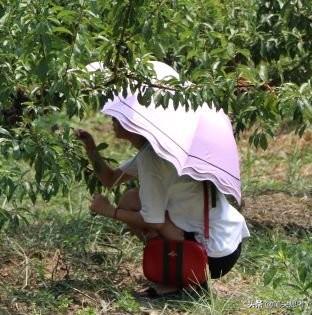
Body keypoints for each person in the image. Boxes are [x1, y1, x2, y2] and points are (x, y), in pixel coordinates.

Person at [76, 115, 250, 297]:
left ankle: (177, 276)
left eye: (120, 118)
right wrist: (91, 149)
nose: (113, 119)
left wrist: (109, 211)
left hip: (210, 256)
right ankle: (180, 270)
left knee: (148, 215)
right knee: (131, 199)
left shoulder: (152, 157)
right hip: (228, 244)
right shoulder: (164, 149)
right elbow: (110, 180)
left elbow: (153, 221)